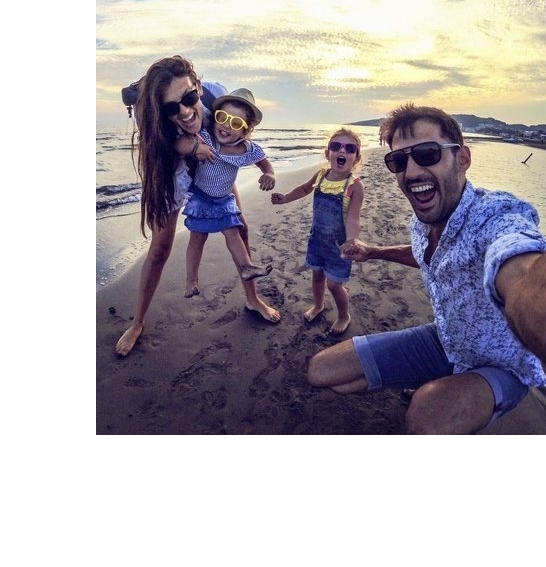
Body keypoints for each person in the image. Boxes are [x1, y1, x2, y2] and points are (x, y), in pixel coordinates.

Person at [307, 103, 546, 434]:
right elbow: (429, 254)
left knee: (429, 412)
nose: (411, 172)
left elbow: (520, 265)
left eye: (427, 154)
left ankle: (456, 389)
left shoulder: (494, 216)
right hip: (447, 339)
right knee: (322, 371)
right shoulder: (424, 220)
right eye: (399, 160)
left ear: (462, 159)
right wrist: (374, 252)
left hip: (501, 365)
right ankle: (440, 376)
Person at [114, 57, 280, 357]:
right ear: (160, 109)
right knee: (160, 248)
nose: (185, 111)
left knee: (240, 227)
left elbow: (241, 140)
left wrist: (265, 170)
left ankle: (252, 299)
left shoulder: (217, 99)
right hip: (173, 168)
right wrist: (191, 147)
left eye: (189, 98)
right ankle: (137, 322)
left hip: (213, 168)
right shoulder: (148, 117)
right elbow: (160, 147)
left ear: (199, 88)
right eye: (171, 108)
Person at [176, 88, 276, 294]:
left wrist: (270, 174)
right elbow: (179, 143)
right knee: (197, 238)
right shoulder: (205, 138)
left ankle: (246, 266)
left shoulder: (247, 149)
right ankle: (191, 281)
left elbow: (264, 164)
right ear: (215, 117)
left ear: (245, 130)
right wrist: (196, 148)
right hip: (201, 198)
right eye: (223, 117)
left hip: (224, 200)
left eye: (236, 123)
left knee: (233, 232)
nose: (227, 125)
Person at [271, 128, 365, 335]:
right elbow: (304, 189)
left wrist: (352, 240)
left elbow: (353, 218)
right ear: (327, 153)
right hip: (317, 240)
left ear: (356, 158)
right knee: (317, 277)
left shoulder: (355, 186)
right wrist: (285, 198)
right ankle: (318, 305)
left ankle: (344, 316)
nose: (342, 151)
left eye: (350, 149)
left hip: (338, 246)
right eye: (336, 146)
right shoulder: (321, 175)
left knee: (334, 285)